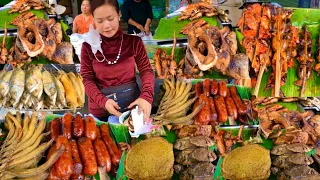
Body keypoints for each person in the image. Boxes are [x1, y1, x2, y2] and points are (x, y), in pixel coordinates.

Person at [80, 0, 155, 122]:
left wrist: (146, 97)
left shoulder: (134, 42)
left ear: (119, 15)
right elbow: (87, 78)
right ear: (93, 19)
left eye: (110, 19)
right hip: (100, 112)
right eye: (100, 21)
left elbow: (146, 70)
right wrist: (103, 101)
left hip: (132, 109)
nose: (106, 25)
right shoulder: (88, 47)